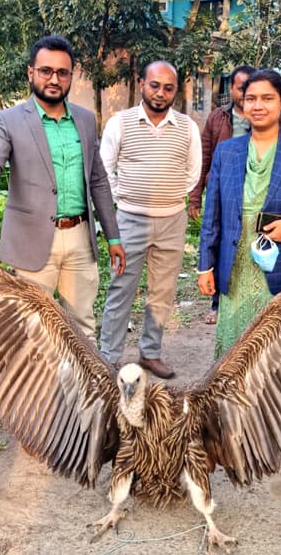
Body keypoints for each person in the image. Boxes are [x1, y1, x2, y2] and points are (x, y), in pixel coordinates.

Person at [0, 35, 125, 339]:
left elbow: (97, 180)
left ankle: (78, 388)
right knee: (32, 331)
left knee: (81, 326)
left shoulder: (85, 120)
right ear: (31, 73)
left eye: (62, 72)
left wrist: (113, 236)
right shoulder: (8, 121)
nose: (54, 79)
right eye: (46, 71)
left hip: (80, 239)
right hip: (32, 242)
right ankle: (39, 388)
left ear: (72, 76)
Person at [196, 70, 281, 358]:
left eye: (267, 98)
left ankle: (276, 402)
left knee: (280, 349)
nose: (258, 106)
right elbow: (213, 214)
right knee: (235, 351)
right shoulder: (227, 151)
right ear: (243, 103)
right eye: (251, 99)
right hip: (235, 265)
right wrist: (205, 265)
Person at [98, 60, 201, 379]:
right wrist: (124, 199)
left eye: (168, 87)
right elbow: (104, 170)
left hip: (172, 222)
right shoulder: (121, 123)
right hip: (128, 221)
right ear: (141, 83)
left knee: (163, 291)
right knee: (121, 288)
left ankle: (150, 353)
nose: (160, 93)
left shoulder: (187, 127)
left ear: (175, 91)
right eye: (154, 85)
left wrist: (166, 197)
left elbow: (192, 173)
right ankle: (109, 357)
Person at [189, 64, 255, 326]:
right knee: (217, 245)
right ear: (232, 88)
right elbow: (204, 157)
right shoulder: (218, 118)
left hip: (252, 194)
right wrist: (196, 196)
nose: (245, 94)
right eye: (241, 88)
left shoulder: (260, 117)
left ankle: (248, 299)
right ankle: (217, 303)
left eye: (250, 88)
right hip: (222, 193)